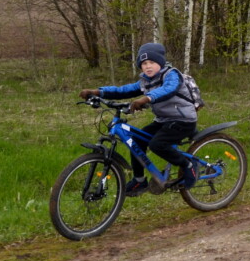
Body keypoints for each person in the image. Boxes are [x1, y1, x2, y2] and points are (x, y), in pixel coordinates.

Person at [79, 42, 199, 195]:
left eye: (152, 62)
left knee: (157, 144)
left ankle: (188, 165)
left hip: (183, 120)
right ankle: (139, 181)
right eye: (144, 63)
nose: (148, 66)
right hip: (163, 120)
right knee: (136, 140)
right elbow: (123, 90)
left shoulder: (172, 75)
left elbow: (167, 90)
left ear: (161, 63)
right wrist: (98, 92)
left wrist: (146, 99)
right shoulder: (145, 81)